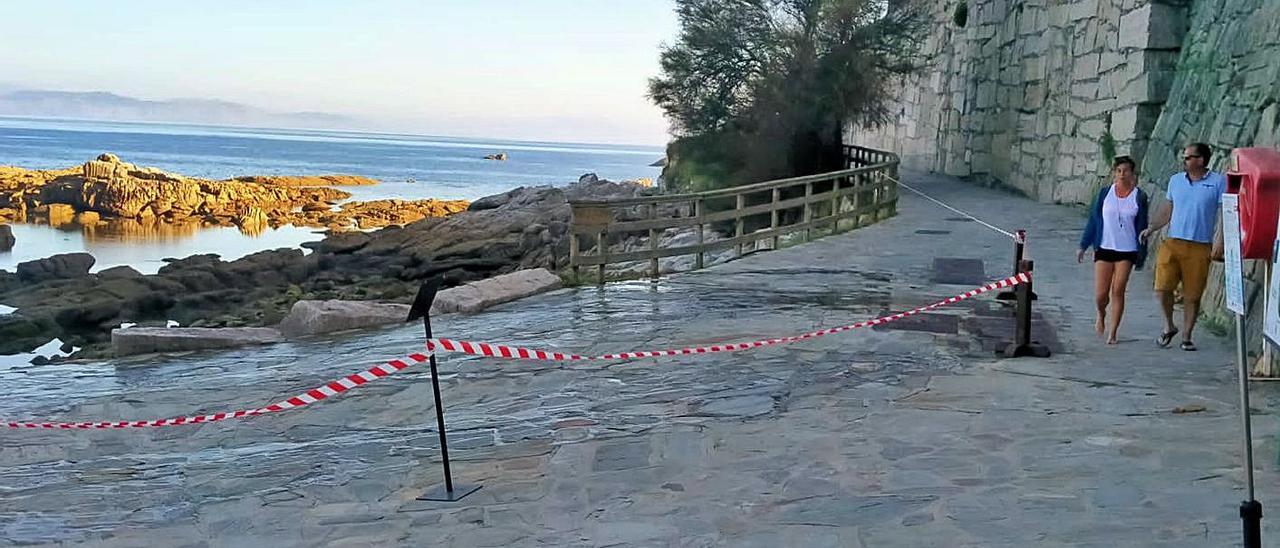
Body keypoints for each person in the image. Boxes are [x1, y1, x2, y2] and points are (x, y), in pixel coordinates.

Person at [1139, 143, 1226, 351]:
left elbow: (1225, 213)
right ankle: (1169, 325)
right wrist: (1151, 228)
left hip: (1200, 245)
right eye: (1184, 157)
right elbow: (1168, 209)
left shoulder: (1218, 182)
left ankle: (1187, 336)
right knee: (1162, 288)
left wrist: (1221, 240)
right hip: (1173, 242)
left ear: (1201, 160)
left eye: (1189, 157)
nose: (1184, 161)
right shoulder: (1176, 181)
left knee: (1192, 295)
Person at [1078, 156, 1149, 345]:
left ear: (1133, 174)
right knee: (1101, 295)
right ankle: (1101, 314)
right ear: (1114, 173)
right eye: (1118, 171)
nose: (1122, 174)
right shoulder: (1104, 194)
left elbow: (1143, 227)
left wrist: (1142, 253)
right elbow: (1093, 221)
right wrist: (1083, 245)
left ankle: (1113, 331)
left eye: (1126, 171)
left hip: (1127, 250)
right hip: (1104, 247)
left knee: (1118, 289)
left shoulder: (1139, 196)